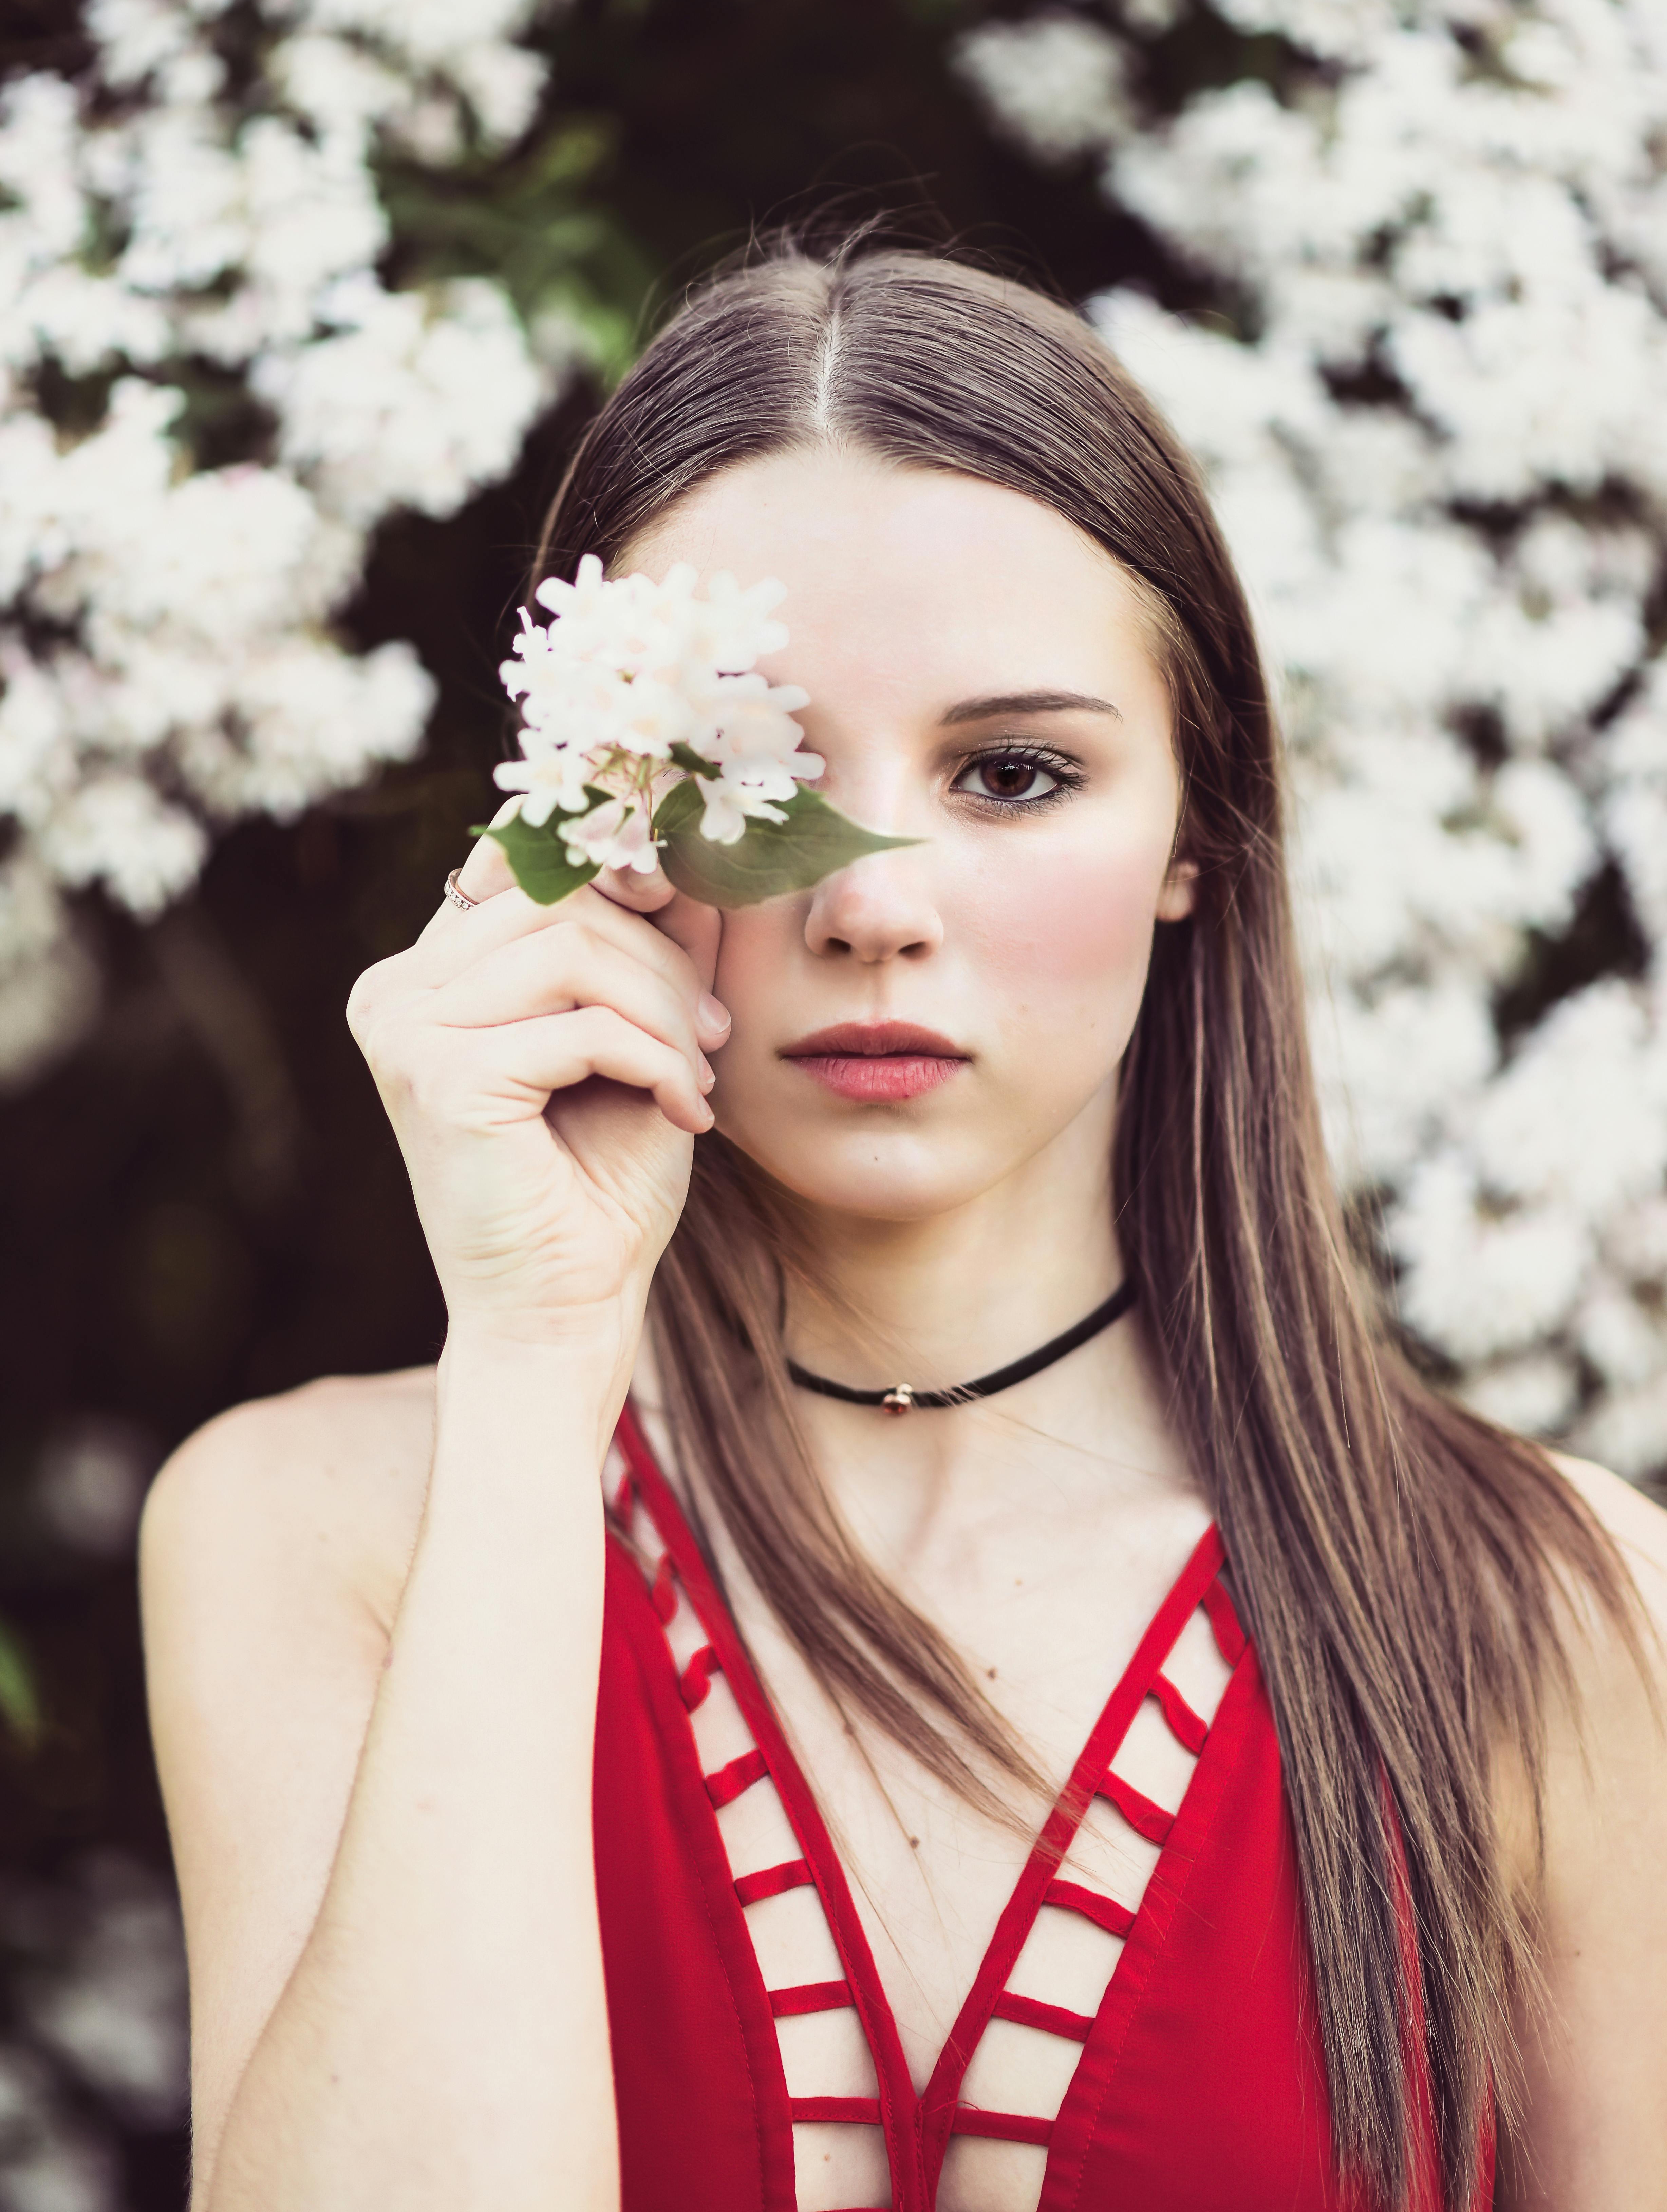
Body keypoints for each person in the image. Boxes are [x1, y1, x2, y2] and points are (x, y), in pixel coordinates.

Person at [139, 243, 1667, 2212]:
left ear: (1198, 830)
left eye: (1012, 772)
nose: (868, 902)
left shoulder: (1545, 1616)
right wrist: (531, 1361)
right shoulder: (315, 1532)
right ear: (589, 824)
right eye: (740, 772)